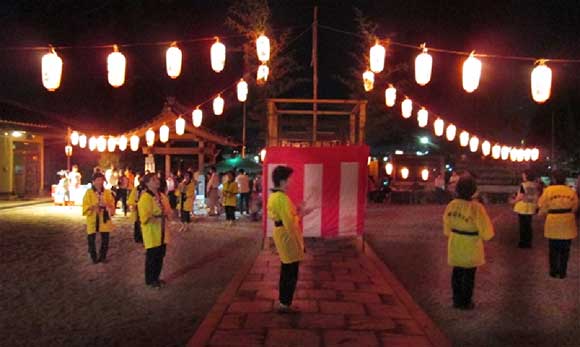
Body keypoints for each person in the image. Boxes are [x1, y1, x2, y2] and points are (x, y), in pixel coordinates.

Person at [443, 174, 494, 310]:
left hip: (456, 241)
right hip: (471, 243)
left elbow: (447, 225)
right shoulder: (477, 208)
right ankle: (466, 301)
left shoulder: (451, 205)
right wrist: (487, 235)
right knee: (469, 275)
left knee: (457, 272)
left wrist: (450, 232)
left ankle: (456, 300)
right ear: (473, 190)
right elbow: (486, 230)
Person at [267, 166, 312, 313]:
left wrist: (299, 211)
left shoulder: (275, 197)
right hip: (287, 236)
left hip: (282, 233)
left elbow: (287, 217)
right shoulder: (282, 198)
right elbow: (290, 224)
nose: (291, 182)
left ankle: (284, 301)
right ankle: (285, 302)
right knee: (290, 271)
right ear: (282, 181)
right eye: (289, 179)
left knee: (287, 269)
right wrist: (301, 215)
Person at [538, 170, 578, 279]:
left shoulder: (548, 190)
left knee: (553, 248)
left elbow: (542, 204)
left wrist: (542, 214)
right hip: (567, 220)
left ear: (554, 179)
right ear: (565, 179)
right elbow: (575, 206)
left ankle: (553, 271)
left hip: (553, 220)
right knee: (565, 249)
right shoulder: (571, 191)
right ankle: (562, 272)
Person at [138, 173, 172, 289]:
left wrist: (167, 213)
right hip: (152, 231)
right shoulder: (145, 197)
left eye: (157, 179)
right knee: (152, 256)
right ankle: (150, 279)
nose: (157, 181)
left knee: (160, 255)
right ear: (147, 183)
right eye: (153, 180)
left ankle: (156, 277)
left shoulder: (162, 196)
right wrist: (157, 214)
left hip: (162, 229)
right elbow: (144, 216)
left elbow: (168, 209)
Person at [82, 173, 115, 264]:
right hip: (93, 217)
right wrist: (93, 206)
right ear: (93, 181)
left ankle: (103, 256)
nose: (100, 182)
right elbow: (85, 205)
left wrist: (106, 205)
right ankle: (94, 257)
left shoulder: (107, 192)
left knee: (105, 238)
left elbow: (112, 204)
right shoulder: (89, 192)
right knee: (91, 238)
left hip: (104, 218)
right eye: (98, 180)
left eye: (101, 180)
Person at [513, 171, 540, 248]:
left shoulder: (523, 185)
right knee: (528, 225)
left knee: (522, 226)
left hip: (523, 207)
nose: (523, 176)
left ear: (526, 176)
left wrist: (514, 201)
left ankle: (523, 242)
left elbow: (520, 196)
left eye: (524, 175)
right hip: (531, 207)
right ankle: (529, 242)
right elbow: (536, 195)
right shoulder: (535, 185)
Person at [128, 176, 146, 243]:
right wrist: (133, 204)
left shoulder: (147, 190)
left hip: (145, 209)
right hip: (137, 209)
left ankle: (143, 237)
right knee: (137, 223)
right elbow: (131, 199)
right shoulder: (136, 189)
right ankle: (138, 237)